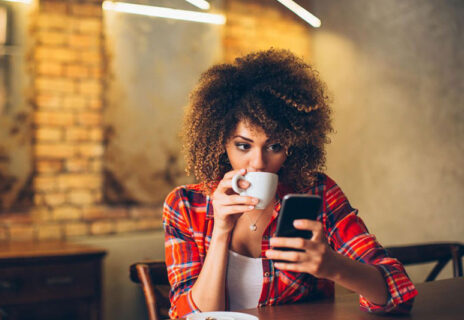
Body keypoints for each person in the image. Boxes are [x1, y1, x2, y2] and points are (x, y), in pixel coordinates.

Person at [163, 49, 417, 319]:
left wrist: (333, 266)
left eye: (274, 146)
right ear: (220, 142)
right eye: (243, 145)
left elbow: (398, 293)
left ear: (293, 146)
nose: (258, 162)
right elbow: (191, 315)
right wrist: (221, 232)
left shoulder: (316, 192)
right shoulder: (186, 206)